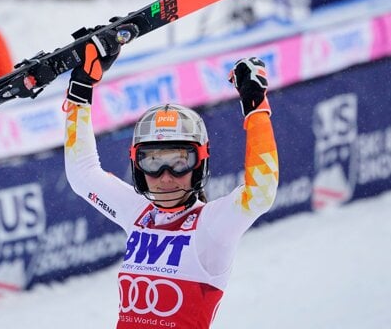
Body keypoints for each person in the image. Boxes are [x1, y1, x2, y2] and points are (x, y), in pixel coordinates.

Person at [62, 27, 279, 328]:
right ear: (137, 166)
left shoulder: (211, 226)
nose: (165, 177)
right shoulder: (138, 214)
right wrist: (81, 89)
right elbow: (82, 174)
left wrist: (255, 109)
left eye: (180, 162)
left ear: (199, 164)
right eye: (152, 162)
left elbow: (261, 193)